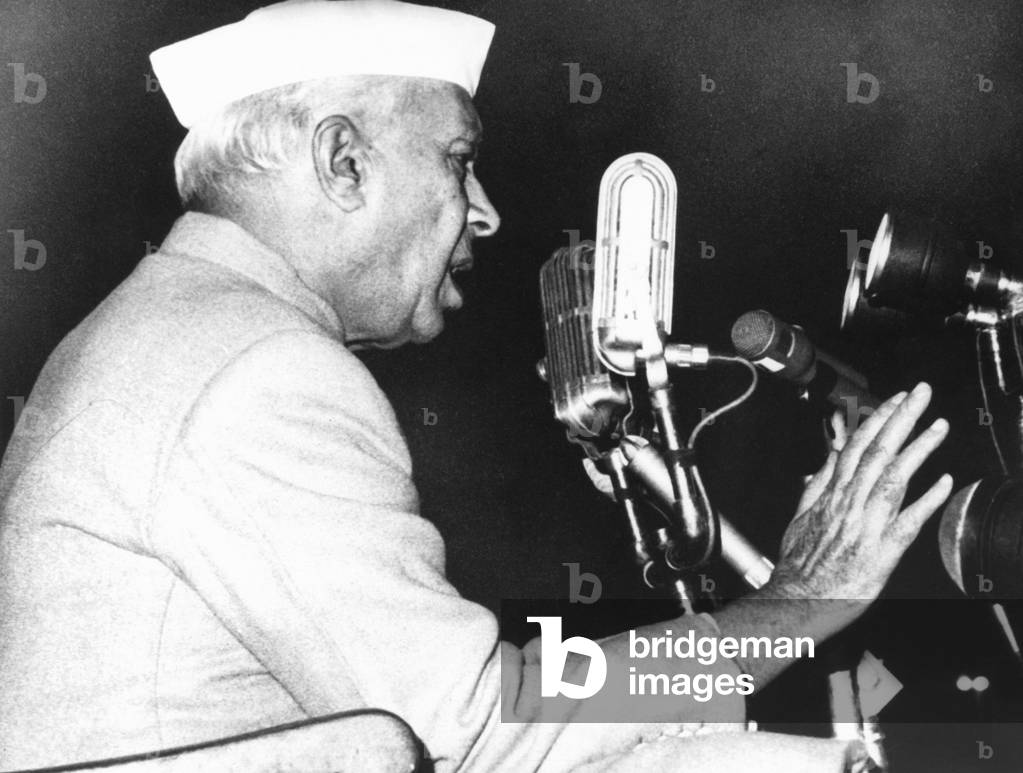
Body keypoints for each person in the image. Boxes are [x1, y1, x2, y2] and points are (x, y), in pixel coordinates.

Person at [0, 1, 953, 771]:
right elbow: (476, 729)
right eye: (459, 161)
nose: (486, 213)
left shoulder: (169, 325)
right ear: (343, 162)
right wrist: (789, 609)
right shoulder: (259, 369)